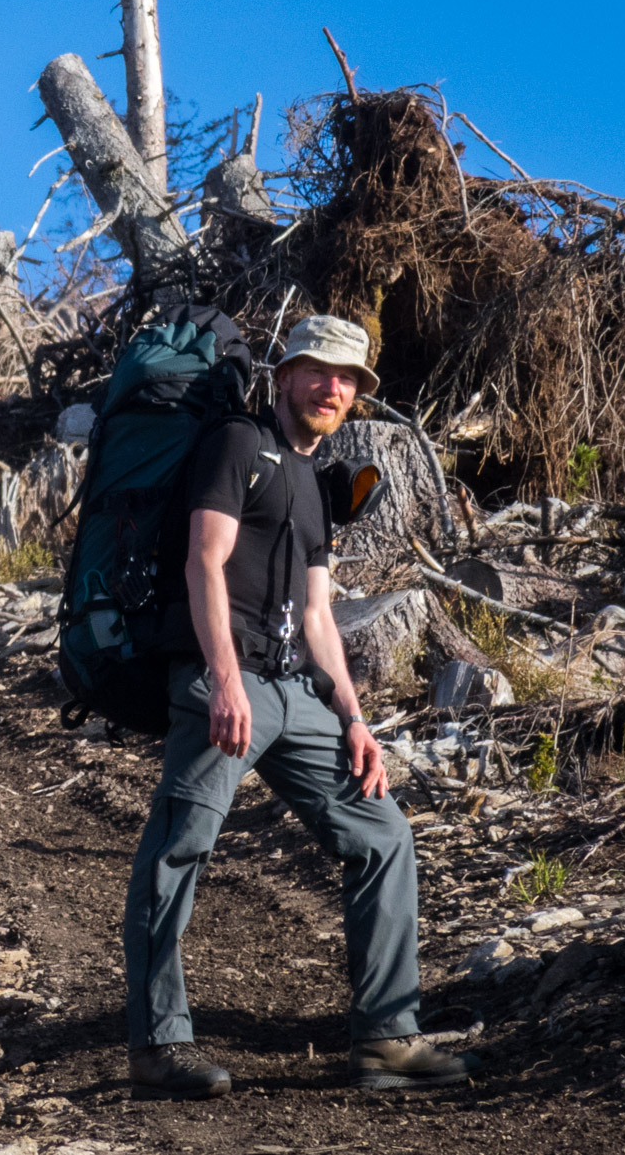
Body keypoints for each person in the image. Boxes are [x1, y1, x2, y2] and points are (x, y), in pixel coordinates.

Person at [124, 314, 476, 1099]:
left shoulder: (318, 483)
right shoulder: (236, 445)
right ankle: (156, 1044)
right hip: (230, 683)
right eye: (318, 370)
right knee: (179, 847)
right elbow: (203, 562)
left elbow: (319, 615)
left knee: (382, 834)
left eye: (347, 379)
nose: (332, 387)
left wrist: (354, 718)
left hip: (294, 692)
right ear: (284, 375)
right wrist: (221, 678)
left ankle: (388, 1038)